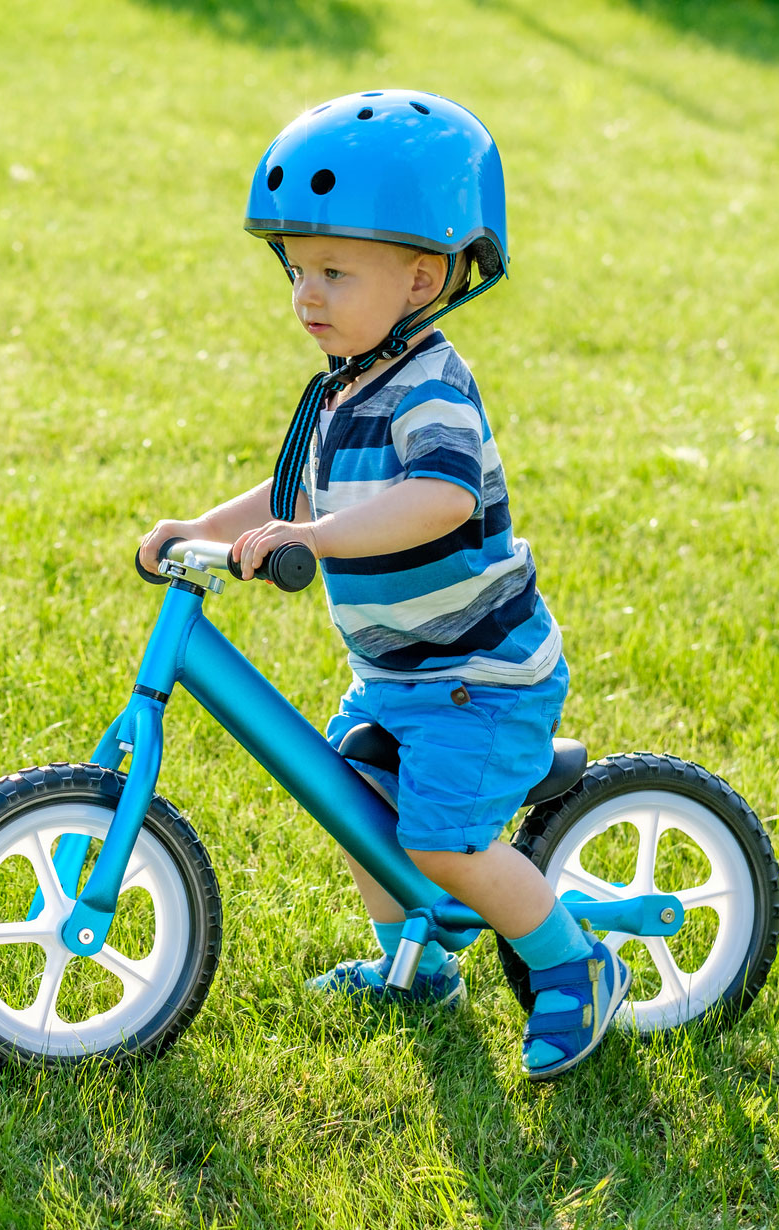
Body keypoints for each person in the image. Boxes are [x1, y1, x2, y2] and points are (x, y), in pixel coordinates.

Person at [138, 90, 627, 1080]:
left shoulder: (430, 383)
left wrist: (312, 538)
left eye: (332, 271)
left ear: (422, 276)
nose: (304, 295)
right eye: (294, 269)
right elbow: (288, 491)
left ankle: (572, 963)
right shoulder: (343, 382)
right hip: (400, 675)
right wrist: (204, 529)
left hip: (478, 675)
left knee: (443, 842)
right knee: (348, 804)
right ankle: (418, 962)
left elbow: (440, 498)